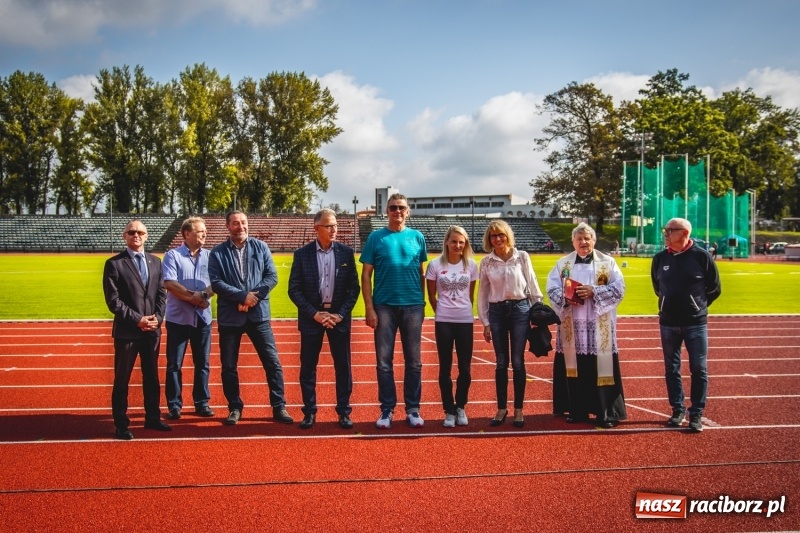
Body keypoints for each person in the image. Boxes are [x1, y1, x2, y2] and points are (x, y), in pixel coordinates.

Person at [208, 210, 294, 426]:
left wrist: (252, 298)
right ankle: (234, 407)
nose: (241, 226)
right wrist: (242, 296)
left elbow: (271, 277)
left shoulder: (261, 247)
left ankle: (279, 405)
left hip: (258, 315)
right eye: (235, 223)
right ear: (228, 226)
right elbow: (216, 282)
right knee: (228, 366)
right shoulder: (217, 253)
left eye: (244, 222)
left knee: (272, 362)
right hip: (230, 317)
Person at [546, 222, 627, 428]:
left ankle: (605, 412)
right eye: (579, 239)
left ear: (594, 240)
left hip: (599, 326)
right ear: (573, 241)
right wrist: (568, 296)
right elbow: (552, 289)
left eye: (587, 238)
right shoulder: (562, 264)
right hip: (572, 324)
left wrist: (595, 292)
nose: (583, 242)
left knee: (601, 365)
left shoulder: (607, 263)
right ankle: (577, 409)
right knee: (576, 366)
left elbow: (619, 288)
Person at [288, 209, 360, 430]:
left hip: (338, 318)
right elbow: (294, 290)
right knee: (308, 367)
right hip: (312, 318)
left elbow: (353, 289)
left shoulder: (346, 253)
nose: (333, 229)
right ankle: (309, 412)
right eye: (328, 226)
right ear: (316, 228)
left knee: (343, 367)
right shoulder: (302, 254)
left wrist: (339, 314)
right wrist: (315, 314)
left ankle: (344, 412)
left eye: (335, 225)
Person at [360, 193, 427, 429]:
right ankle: (387, 409)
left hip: (412, 306)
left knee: (414, 362)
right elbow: (366, 275)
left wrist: (422, 302)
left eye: (401, 207)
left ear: (408, 211)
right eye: (393, 208)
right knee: (384, 362)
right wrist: (369, 308)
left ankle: (413, 408)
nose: (397, 211)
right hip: (384, 306)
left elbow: (420, 272)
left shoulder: (418, 237)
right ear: (386, 212)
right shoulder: (375, 238)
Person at [652, 217, 721, 433]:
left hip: (695, 324)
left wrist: (696, 307)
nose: (665, 233)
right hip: (668, 323)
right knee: (671, 368)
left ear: (684, 233)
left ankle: (696, 413)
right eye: (665, 230)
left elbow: (714, 288)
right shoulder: (659, 258)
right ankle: (677, 409)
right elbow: (657, 287)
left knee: (698, 369)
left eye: (670, 230)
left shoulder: (702, 257)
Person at [102, 219, 170, 440]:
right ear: (124, 236)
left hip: (152, 331)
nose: (136, 235)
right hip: (128, 332)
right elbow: (114, 301)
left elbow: (161, 295)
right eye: (131, 232)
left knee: (151, 377)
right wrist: (137, 319)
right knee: (122, 378)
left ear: (146, 236)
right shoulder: (114, 264)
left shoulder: (155, 262)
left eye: (140, 232)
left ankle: (152, 417)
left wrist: (158, 319)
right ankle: (121, 424)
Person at [478, 220, 543, 428]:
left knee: (517, 362)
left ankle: (518, 410)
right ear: (489, 240)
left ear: (507, 236)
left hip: (520, 310)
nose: (497, 239)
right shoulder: (486, 262)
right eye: (493, 236)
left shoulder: (521, 257)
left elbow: (532, 283)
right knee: (500, 362)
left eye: (501, 235)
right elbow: (483, 293)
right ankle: (501, 408)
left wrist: (538, 312)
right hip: (496, 312)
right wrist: (485, 321)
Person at [425, 225, 478, 427]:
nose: (457, 245)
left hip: (465, 320)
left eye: (461, 242)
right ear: (447, 242)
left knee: (465, 367)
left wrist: (462, 310)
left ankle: (461, 406)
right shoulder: (435, 265)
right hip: (444, 321)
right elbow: (431, 295)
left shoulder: (472, 265)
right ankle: (448, 409)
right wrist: (442, 310)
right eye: (454, 241)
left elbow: (470, 295)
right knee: (445, 367)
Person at [162, 217, 215, 420]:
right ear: (186, 233)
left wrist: (203, 296)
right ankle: (174, 405)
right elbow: (170, 283)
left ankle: (202, 402)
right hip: (178, 320)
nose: (204, 235)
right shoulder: (173, 255)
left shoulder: (211, 256)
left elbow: (216, 282)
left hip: (203, 319)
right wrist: (195, 298)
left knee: (203, 363)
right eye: (200, 231)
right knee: (174, 364)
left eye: (205, 232)